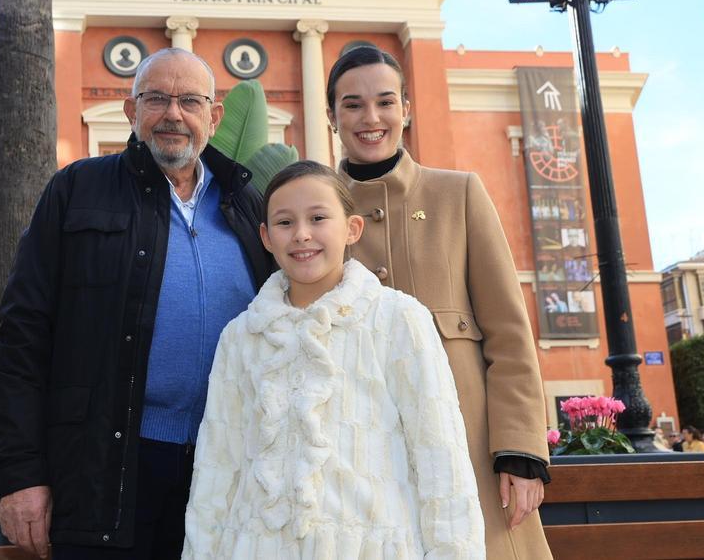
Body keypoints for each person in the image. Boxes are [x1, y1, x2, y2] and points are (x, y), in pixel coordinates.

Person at [0, 48, 273, 559]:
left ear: (214, 116)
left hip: (228, 470)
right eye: (156, 98)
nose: (173, 114)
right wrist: (20, 473)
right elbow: (20, 338)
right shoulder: (77, 190)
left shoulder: (246, 203)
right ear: (131, 110)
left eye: (189, 100)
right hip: (110, 471)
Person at [183, 161, 484, 558]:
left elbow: (440, 458)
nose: (302, 235)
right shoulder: (241, 337)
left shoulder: (399, 320)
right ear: (266, 237)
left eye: (319, 217)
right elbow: (217, 467)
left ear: (352, 228)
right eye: (285, 222)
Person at [328, 46, 552, 558]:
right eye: (352, 105)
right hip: (360, 451)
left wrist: (519, 452)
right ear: (332, 117)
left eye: (385, 102)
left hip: (468, 446)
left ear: (406, 108)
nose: (371, 118)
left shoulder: (460, 194)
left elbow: (509, 333)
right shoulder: (318, 210)